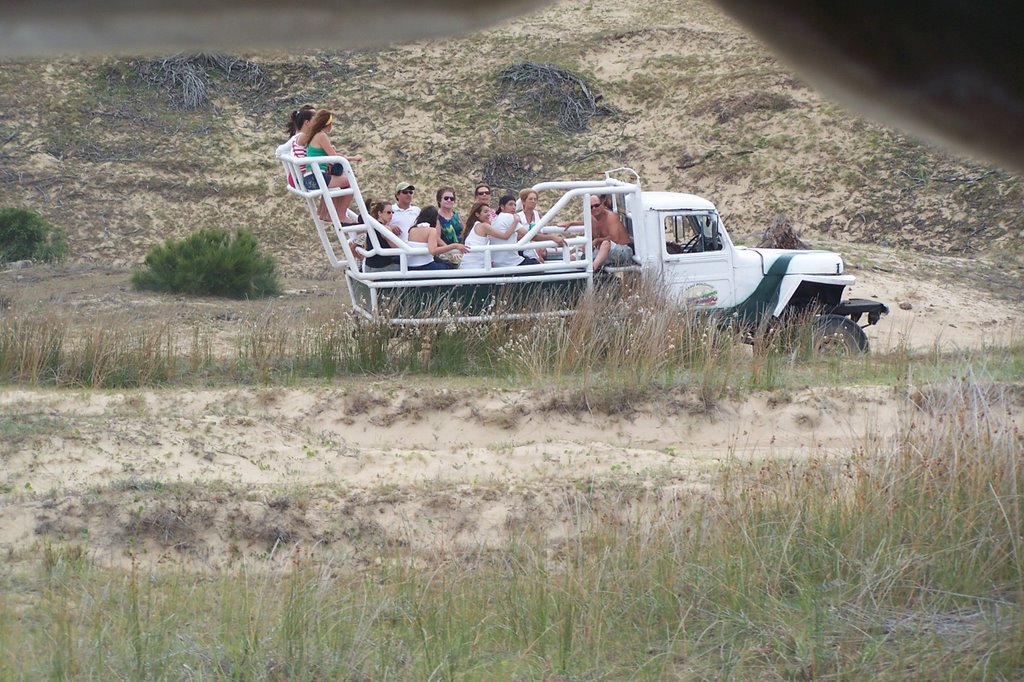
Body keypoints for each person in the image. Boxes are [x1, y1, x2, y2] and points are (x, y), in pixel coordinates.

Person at [300, 109, 363, 223]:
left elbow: (332, 156)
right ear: (327, 124)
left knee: (334, 184)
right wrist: (353, 158)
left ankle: (323, 213)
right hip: (317, 177)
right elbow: (334, 157)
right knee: (350, 181)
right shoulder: (321, 136)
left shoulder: (314, 135)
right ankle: (341, 215)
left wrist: (351, 158)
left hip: (310, 177)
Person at [561, 195, 633, 270]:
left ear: (602, 204)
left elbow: (614, 239)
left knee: (605, 243)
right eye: (591, 207)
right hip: (605, 253)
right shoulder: (592, 219)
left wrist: (597, 240)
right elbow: (588, 230)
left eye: (596, 205)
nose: (594, 208)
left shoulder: (611, 217)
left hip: (623, 251)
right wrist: (572, 223)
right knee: (577, 256)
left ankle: (592, 269)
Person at [406, 206, 469, 270]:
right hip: (425, 266)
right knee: (452, 267)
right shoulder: (431, 230)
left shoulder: (412, 230)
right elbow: (433, 251)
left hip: (410, 266)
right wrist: (454, 246)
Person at [516, 188, 567, 263]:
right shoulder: (518, 217)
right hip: (526, 249)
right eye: (530, 199)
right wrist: (551, 238)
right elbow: (519, 237)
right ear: (524, 201)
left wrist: (552, 241)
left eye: (535, 199)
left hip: (540, 248)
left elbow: (543, 230)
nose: (533, 201)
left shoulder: (538, 214)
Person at [359, 200, 407, 272]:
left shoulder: (371, 227)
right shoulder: (385, 229)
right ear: (379, 213)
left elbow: (365, 246)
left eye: (392, 212)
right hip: (382, 267)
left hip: (368, 266)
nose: (391, 215)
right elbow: (397, 247)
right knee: (408, 265)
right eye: (388, 212)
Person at [275, 105, 314, 188]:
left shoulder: (297, 137)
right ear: (306, 122)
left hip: (295, 175)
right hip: (299, 176)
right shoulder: (300, 137)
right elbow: (279, 151)